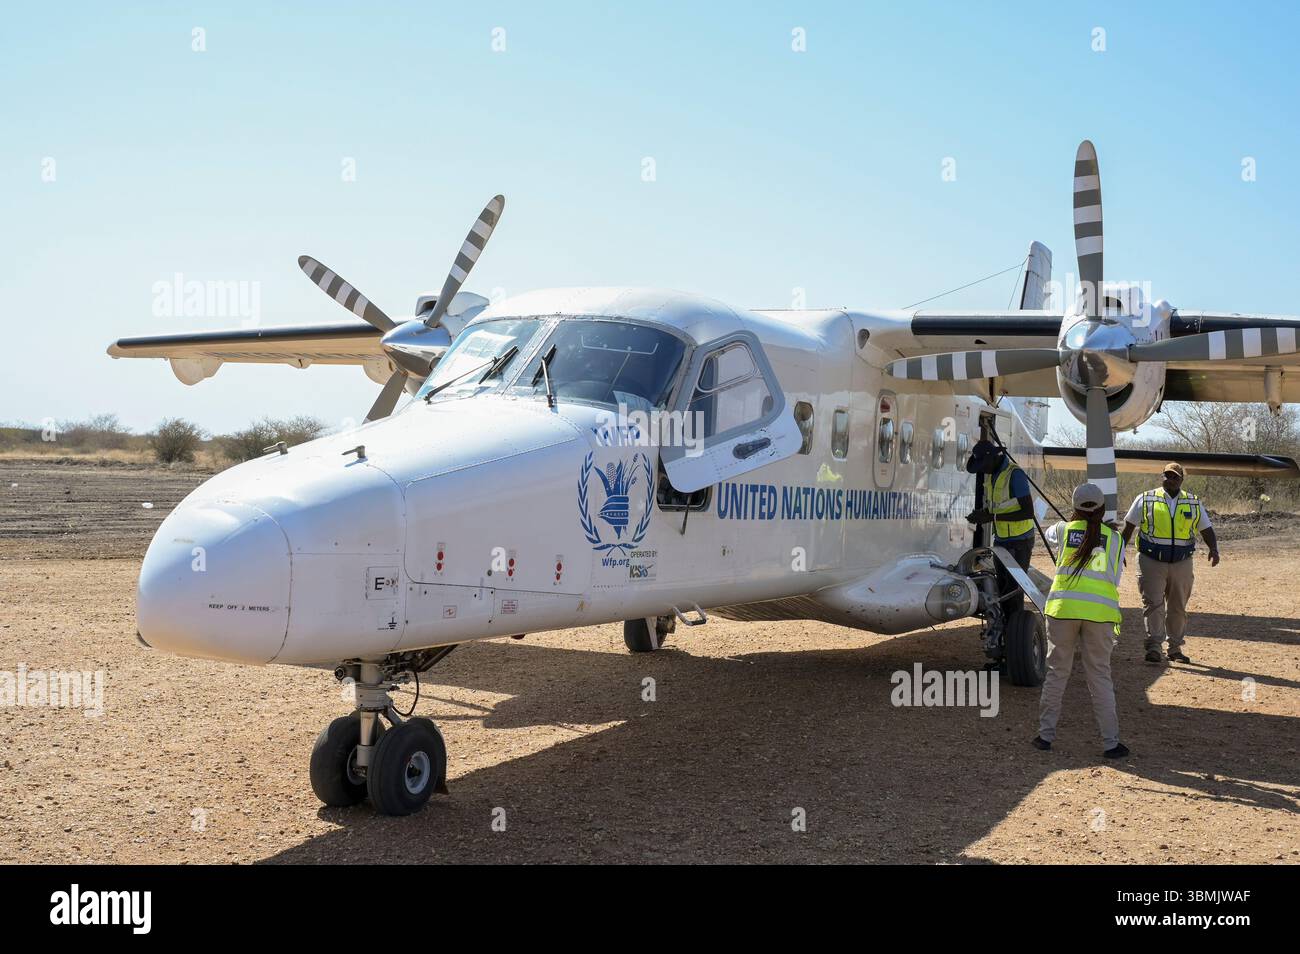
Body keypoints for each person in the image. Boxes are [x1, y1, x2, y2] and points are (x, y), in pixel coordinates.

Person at [1033, 482, 1130, 759]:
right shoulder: (1116, 540)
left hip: (1062, 611)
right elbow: (1115, 579)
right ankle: (1111, 743)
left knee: (1056, 673)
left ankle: (1044, 736)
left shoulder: (1064, 531)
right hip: (1100, 616)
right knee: (1099, 676)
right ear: (1102, 510)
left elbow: (1052, 531)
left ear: (1075, 509)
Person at [1120, 462, 1219, 665]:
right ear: (1161, 477)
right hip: (1150, 560)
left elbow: (1206, 528)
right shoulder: (1146, 498)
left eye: (1174, 476)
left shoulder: (1193, 502)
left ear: (1181, 480)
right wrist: (1119, 550)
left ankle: (1175, 648)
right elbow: (1128, 526)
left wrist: (1214, 549)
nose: (1170, 479)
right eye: (1167, 476)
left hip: (1182, 562)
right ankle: (1154, 647)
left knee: (1178, 606)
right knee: (1153, 604)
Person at [965, 439, 1036, 612]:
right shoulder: (992, 475)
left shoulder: (1015, 474)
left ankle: (1015, 631)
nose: (982, 469)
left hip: (1020, 542)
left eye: (983, 465)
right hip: (1002, 540)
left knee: (1013, 590)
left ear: (993, 458)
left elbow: (1027, 512)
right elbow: (997, 506)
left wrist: (991, 517)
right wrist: (982, 513)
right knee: (1002, 587)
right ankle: (1005, 629)